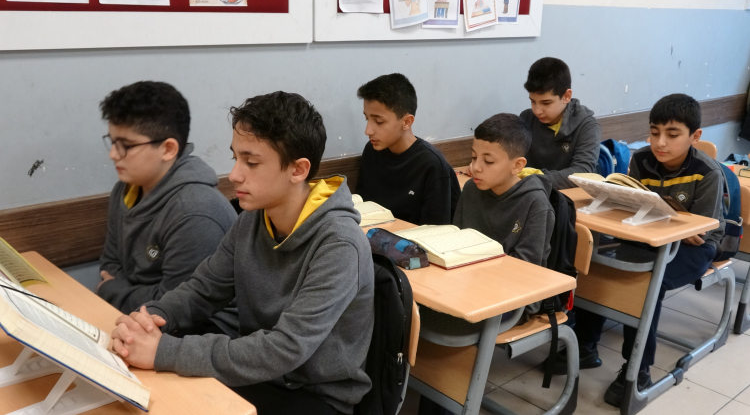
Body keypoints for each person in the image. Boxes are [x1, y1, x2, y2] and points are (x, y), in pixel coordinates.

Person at [109, 91, 375, 415]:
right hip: (258, 374)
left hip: (314, 395)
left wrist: (164, 351)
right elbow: (202, 290)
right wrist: (148, 318)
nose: (234, 174)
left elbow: (285, 348)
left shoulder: (340, 244)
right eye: (235, 157)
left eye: (251, 162)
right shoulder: (253, 218)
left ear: (298, 170)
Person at [556, 94, 726, 408]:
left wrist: (671, 226)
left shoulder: (707, 172)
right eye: (654, 132)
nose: (660, 142)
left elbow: (700, 232)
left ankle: (638, 370)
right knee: (598, 264)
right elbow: (630, 203)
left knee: (649, 282)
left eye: (672, 135)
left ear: (695, 136)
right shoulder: (642, 159)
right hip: (647, 237)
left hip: (697, 248)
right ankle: (586, 345)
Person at [419, 113, 555, 415]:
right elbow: (455, 239)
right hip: (466, 287)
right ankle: (428, 391)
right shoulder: (471, 189)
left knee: (448, 331)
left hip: (511, 300)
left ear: (517, 165)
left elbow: (527, 273)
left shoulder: (535, 203)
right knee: (408, 305)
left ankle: (443, 400)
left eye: (488, 161)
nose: (475, 167)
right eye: (473, 157)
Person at [97, 81, 238, 336]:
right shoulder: (125, 189)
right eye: (113, 142)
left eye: (126, 145)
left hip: (199, 335)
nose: (114, 155)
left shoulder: (196, 211)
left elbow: (175, 308)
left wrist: (113, 290)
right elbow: (110, 264)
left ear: (168, 149)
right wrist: (126, 291)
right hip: (136, 322)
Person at [356, 73, 461, 225]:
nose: (368, 130)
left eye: (378, 121)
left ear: (407, 122)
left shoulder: (432, 164)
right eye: (367, 119)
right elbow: (362, 208)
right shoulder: (371, 151)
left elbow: (436, 230)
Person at [520, 57, 601, 189]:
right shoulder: (526, 118)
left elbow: (583, 172)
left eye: (546, 103)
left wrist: (536, 178)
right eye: (533, 101)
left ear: (566, 96)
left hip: (567, 196)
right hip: (531, 193)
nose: (537, 111)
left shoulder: (587, 125)